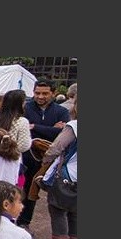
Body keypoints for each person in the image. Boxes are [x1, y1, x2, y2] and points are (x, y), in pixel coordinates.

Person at [18, 79, 70, 231]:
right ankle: (17, 220)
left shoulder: (61, 111)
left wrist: (35, 126)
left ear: (53, 93)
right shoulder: (25, 108)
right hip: (26, 157)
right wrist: (50, 129)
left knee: (37, 192)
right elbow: (23, 130)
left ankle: (25, 221)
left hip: (49, 160)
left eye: (45, 93)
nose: (40, 96)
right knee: (23, 188)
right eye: (37, 93)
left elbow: (62, 132)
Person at [37, 96, 78, 239]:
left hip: (69, 174)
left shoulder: (75, 126)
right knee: (76, 211)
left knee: (58, 208)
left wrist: (46, 160)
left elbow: (57, 147)